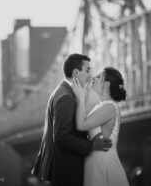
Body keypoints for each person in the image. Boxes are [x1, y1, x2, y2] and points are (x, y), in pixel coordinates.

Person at [32, 53, 112, 186]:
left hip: (64, 167)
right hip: (66, 169)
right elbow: (61, 136)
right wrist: (91, 145)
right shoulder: (66, 97)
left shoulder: (64, 92)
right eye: (87, 70)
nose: (90, 75)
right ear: (76, 72)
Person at [71, 66, 130, 186]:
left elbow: (81, 125)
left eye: (99, 77)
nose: (93, 78)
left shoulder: (109, 107)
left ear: (106, 84)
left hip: (104, 164)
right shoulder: (99, 107)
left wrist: (81, 97)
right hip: (95, 162)